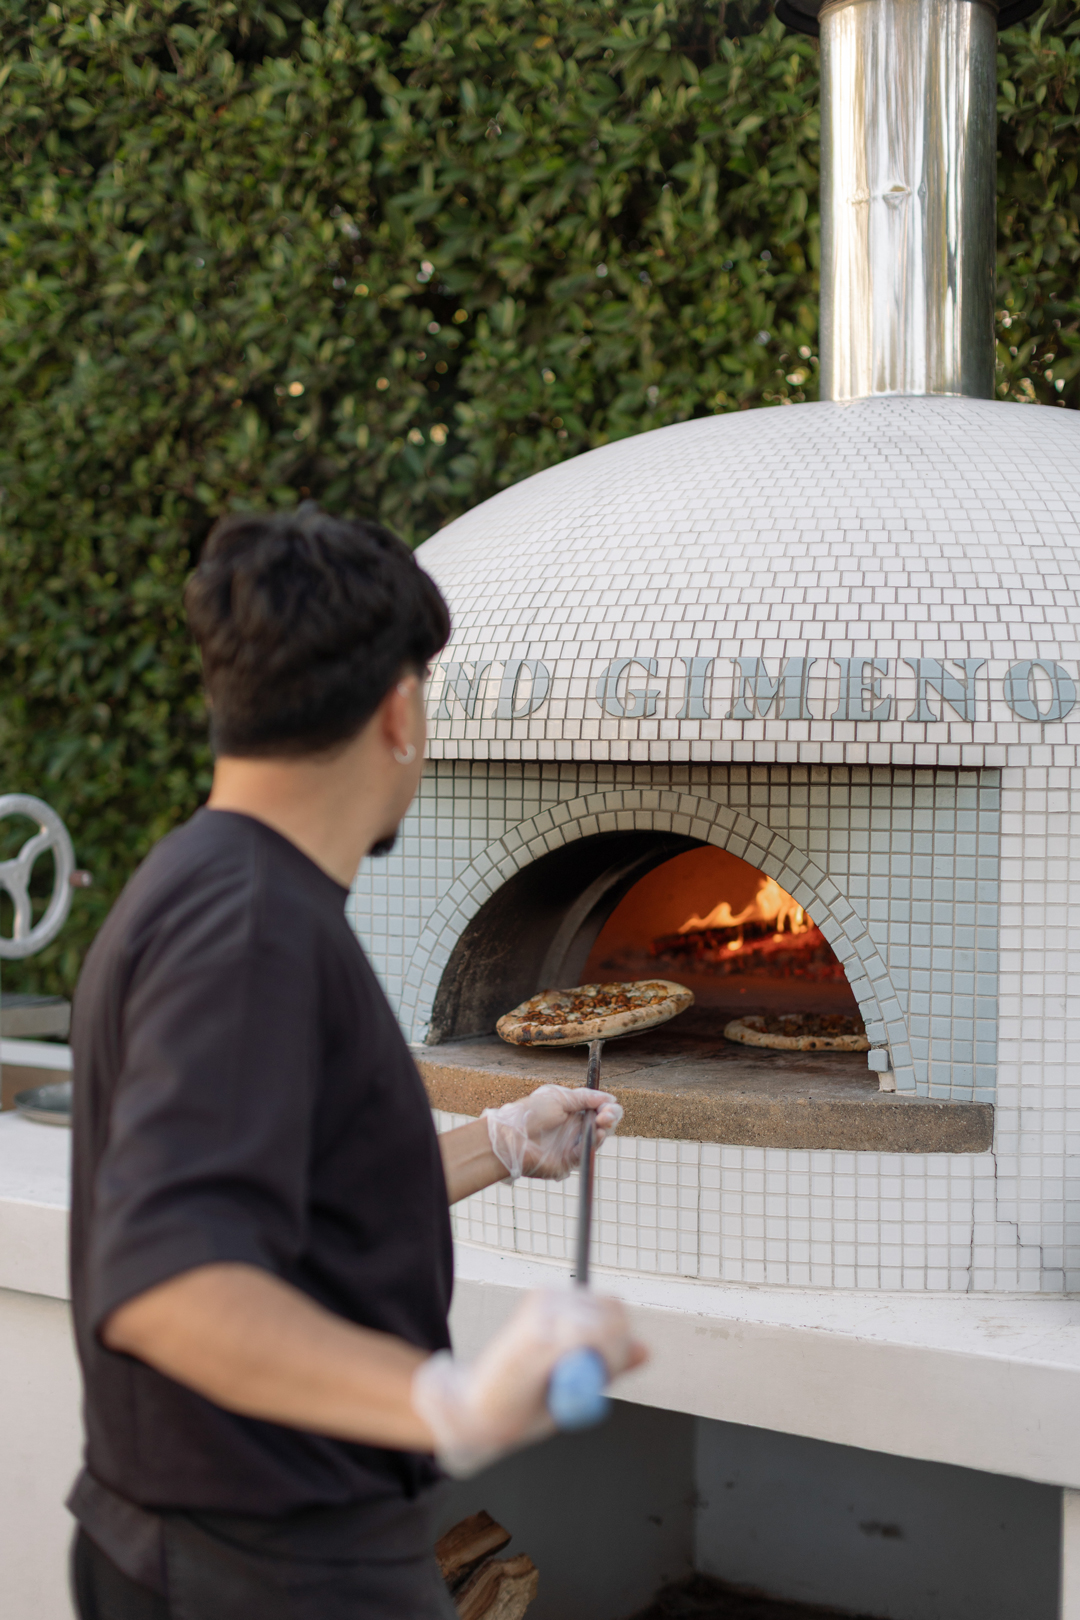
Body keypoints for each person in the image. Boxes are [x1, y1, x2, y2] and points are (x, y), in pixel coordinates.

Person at [67, 504, 645, 1620]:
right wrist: (455, 1401)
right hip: (267, 1566)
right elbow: (170, 1280)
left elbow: (277, 1202)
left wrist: (502, 1141)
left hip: (214, 1544)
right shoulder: (250, 930)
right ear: (397, 707)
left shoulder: (209, 880)